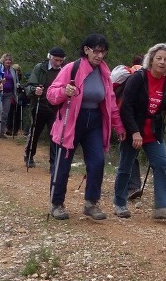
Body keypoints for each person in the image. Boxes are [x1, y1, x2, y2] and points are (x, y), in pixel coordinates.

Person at [46, 34, 125, 220]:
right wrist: (64, 92)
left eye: (103, 51)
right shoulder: (71, 68)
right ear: (86, 50)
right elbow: (51, 94)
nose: (100, 55)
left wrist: (119, 126)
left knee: (97, 161)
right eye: (96, 51)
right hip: (71, 120)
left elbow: (111, 103)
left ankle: (91, 203)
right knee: (63, 164)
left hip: (94, 122)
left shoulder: (105, 73)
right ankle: (56, 204)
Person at [113, 43, 166, 220]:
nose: (162, 62)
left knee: (161, 164)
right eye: (159, 58)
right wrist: (134, 132)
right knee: (126, 167)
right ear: (151, 59)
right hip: (132, 130)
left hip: (153, 132)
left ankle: (162, 207)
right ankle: (119, 203)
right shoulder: (138, 78)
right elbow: (126, 107)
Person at [24, 46, 66, 168]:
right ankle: (29, 156)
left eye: (61, 61)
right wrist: (34, 90)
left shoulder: (64, 69)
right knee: (35, 133)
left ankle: (54, 163)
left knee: (55, 135)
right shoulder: (40, 68)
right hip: (39, 105)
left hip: (56, 108)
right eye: (56, 60)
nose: (58, 63)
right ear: (50, 57)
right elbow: (29, 86)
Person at [110, 54, 144, 198]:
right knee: (130, 154)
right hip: (134, 119)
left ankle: (128, 186)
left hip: (120, 118)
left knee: (128, 152)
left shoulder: (124, 75)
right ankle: (129, 187)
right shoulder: (142, 77)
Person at [0, 54, 24, 138]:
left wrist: (18, 85)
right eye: (6, 60)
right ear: (3, 60)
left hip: (9, 94)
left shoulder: (13, 70)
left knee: (5, 113)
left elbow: (16, 81)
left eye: (9, 60)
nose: (8, 61)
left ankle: (1, 132)